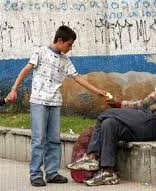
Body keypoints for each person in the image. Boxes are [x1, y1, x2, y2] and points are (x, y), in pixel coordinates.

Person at [8, 25, 108, 187]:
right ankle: (35, 174)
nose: (70, 49)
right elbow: (25, 70)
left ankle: (52, 173)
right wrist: (14, 89)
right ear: (60, 40)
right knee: (39, 139)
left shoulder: (65, 60)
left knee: (54, 139)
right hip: (39, 102)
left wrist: (98, 92)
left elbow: (78, 78)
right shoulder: (40, 52)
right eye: (69, 45)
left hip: (55, 103)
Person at [67, 68, 156, 186]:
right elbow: (144, 106)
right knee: (109, 123)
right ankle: (108, 171)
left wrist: (119, 104)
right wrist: (119, 104)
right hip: (148, 124)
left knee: (106, 114)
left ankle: (91, 156)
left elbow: (144, 105)